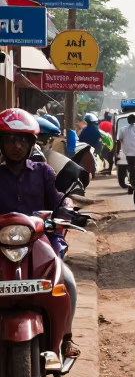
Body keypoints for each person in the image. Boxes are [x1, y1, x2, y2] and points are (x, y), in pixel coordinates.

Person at [0, 109, 80, 357]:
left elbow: (58, 202)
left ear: (31, 143)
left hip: (39, 240)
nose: (16, 146)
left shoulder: (43, 172)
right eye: (10, 140)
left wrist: (66, 214)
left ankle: (66, 336)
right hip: (1, 244)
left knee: (66, 280)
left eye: (22, 140)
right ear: (1, 144)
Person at [115, 113, 135, 193]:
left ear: (128, 120)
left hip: (128, 153)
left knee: (131, 168)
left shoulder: (123, 129)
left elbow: (118, 141)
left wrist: (117, 152)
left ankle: (132, 184)